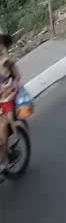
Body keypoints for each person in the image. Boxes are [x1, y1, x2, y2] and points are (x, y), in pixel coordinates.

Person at [0, 28, 20, 172]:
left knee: (2, 129)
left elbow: (17, 78)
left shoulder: (7, 62)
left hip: (7, 99)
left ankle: (5, 160)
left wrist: (12, 88)